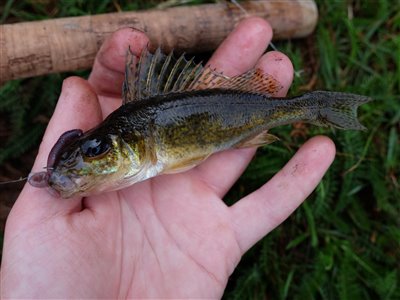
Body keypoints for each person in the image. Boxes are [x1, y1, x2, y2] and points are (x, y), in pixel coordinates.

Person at [0, 17, 335, 298]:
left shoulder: (145, 142)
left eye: (96, 149)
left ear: (133, 142)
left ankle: (320, 106)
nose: (85, 163)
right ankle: (321, 106)